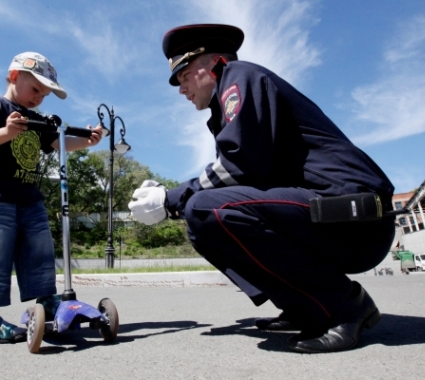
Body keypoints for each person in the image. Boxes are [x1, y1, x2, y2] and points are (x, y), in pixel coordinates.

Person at [128, 24, 395, 353]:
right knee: (201, 222)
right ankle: (304, 305)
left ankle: (344, 306)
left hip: (354, 218)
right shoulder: (224, 108)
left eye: (184, 76)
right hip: (328, 213)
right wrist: (175, 202)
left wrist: (170, 199)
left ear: (215, 63)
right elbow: (242, 178)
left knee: (203, 209)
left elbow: (239, 164)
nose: (181, 89)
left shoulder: (239, 76)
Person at [0, 52, 104, 345]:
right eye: (36, 90)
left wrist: (86, 141)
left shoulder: (37, 118)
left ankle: (47, 303)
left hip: (30, 199)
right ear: (14, 76)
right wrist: (7, 131)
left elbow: (59, 143)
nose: (39, 98)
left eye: (44, 95)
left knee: (40, 254)